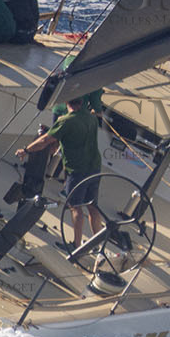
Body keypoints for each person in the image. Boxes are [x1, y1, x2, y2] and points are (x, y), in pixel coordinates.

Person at [17, 92, 104, 249]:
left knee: (75, 207)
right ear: (82, 102)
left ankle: (76, 246)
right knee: (92, 206)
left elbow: (45, 141)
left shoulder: (66, 121)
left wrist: (26, 150)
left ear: (65, 103)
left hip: (77, 170)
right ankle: (97, 245)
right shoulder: (91, 118)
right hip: (95, 168)